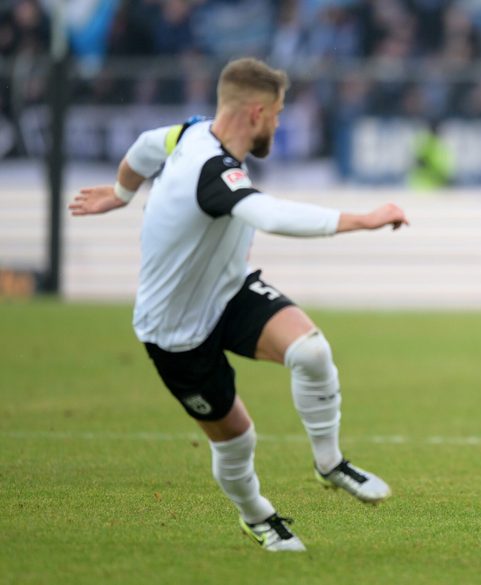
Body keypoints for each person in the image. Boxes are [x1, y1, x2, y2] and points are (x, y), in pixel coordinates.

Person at [69, 57, 409, 552]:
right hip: (175, 330)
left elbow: (144, 146)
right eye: (276, 113)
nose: (277, 122)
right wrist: (366, 218)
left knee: (311, 352)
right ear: (256, 113)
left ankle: (330, 463)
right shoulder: (213, 171)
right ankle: (258, 517)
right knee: (237, 440)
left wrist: (122, 194)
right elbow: (268, 214)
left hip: (228, 290)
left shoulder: (187, 134)